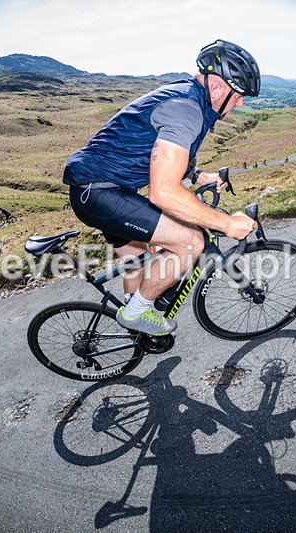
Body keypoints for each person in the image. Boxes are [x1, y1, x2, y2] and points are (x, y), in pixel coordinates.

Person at [63, 39, 261, 336]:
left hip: (98, 188)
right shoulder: (187, 109)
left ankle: (135, 326)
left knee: (136, 256)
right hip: (99, 192)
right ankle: (135, 314)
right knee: (191, 241)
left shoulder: (190, 96)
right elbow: (164, 192)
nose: (241, 103)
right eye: (239, 95)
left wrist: (197, 176)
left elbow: (157, 149)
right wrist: (227, 223)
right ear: (219, 86)